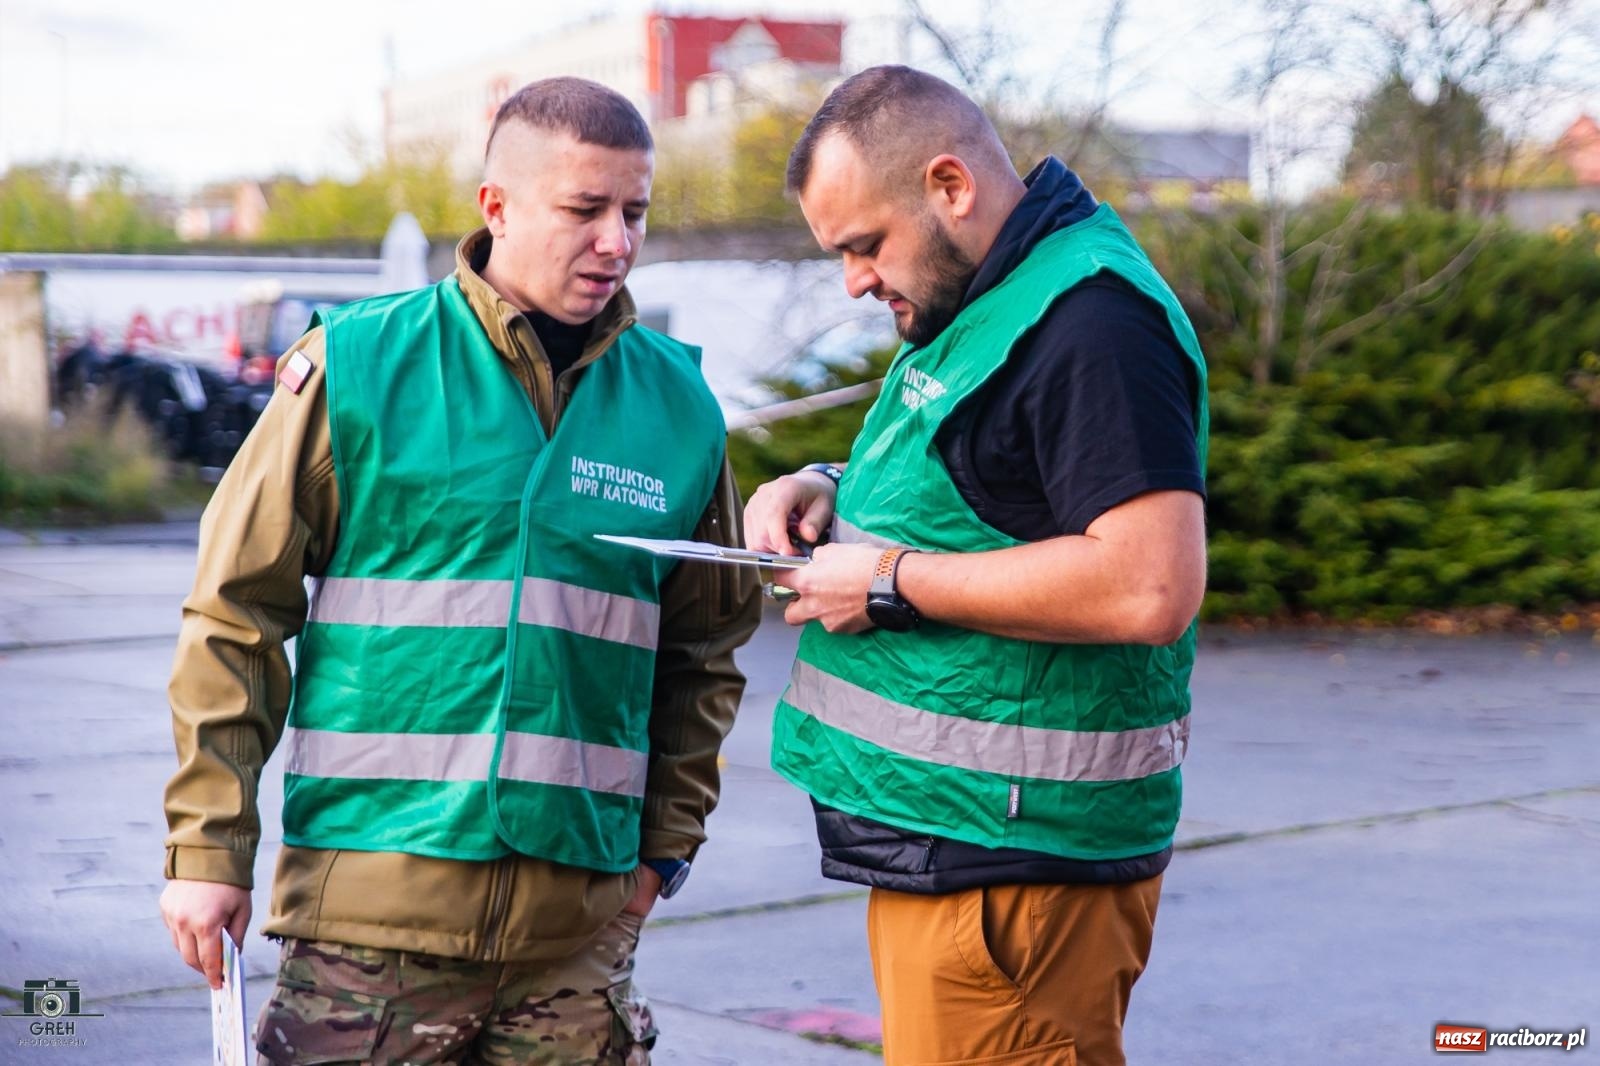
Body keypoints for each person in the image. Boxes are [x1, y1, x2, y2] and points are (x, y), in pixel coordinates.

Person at [160, 77, 760, 1065]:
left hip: (578, 945)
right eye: (584, 209)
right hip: (369, 933)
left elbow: (703, 649)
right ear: (497, 207)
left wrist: (662, 850)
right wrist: (206, 846)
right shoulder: (356, 366)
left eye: (635, 212)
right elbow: (236, 613)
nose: (617, 239)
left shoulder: (680, 406)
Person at [744, 66, 1209, 1066]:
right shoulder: (992, 296)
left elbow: (1148, 584)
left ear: (948, 186)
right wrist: (827, 485)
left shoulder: (1089, 320)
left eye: (863, 245)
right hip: (968, 859)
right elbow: (995, 482)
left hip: (1017, 882)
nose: (854, 281)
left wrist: (883, 580)